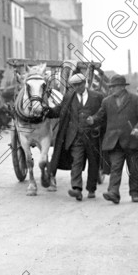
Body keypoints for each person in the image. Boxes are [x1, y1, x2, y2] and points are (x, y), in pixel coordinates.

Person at [87, 74, 138, 204]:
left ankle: (135, 193)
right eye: (111, 87)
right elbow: (100, 115)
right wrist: (93, 119)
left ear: (121, 87)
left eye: (113, 87)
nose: (111, 89)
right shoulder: (106, 101)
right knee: (115, 167)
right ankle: (113, 192)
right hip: (115, 142)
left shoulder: (136, 100)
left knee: (134, 169)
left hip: (132, 141)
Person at [46, 72, 104, 200]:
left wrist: (94, 120)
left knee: (94, 163)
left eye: (78, 85)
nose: (76, 87)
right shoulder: (69, 97)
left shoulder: (97, 97)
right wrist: (47, 110)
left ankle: (91, 189)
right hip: (75, 137)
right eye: (74, 85)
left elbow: (103, 114)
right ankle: (76, 189)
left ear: (84, 83)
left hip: (92, 136)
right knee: (76, 162)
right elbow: (59, 110)